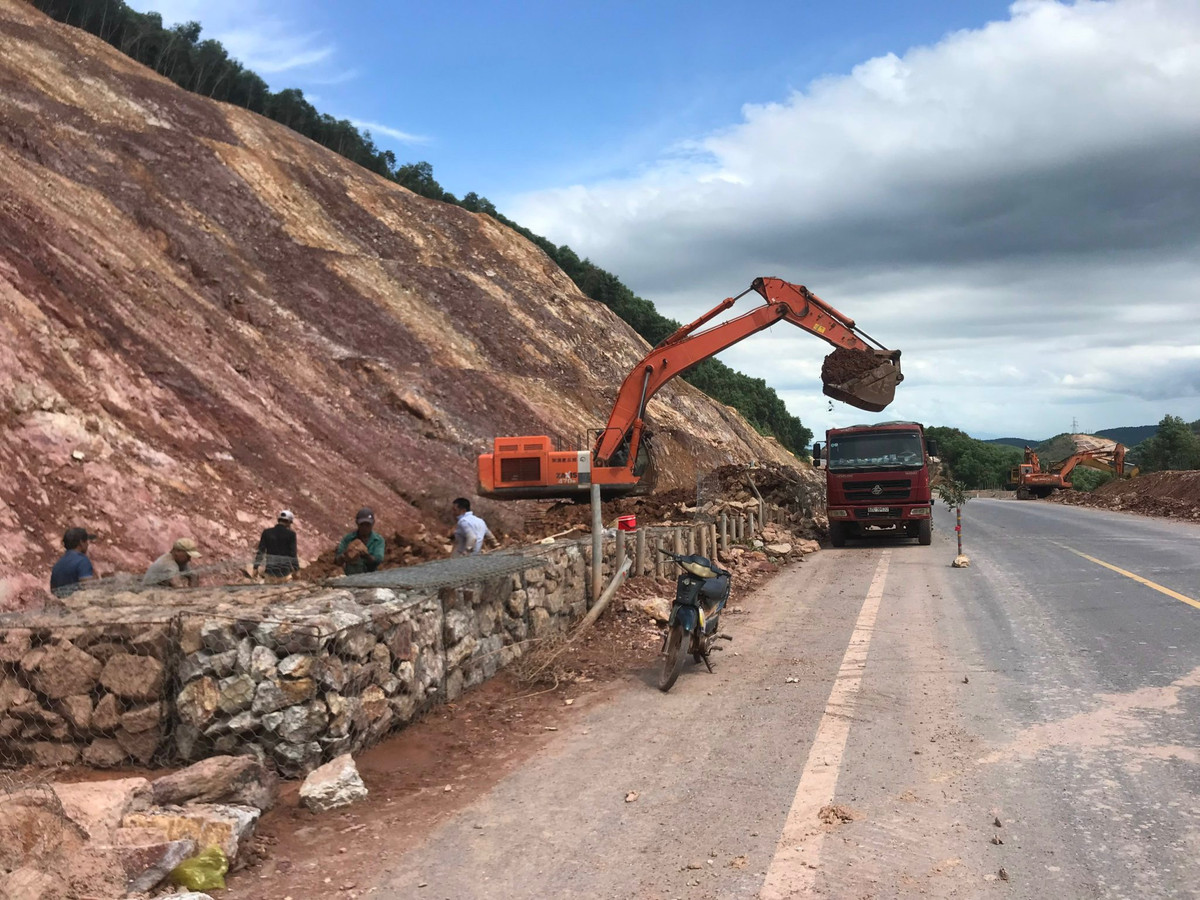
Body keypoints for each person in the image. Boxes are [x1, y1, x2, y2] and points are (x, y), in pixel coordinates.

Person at [334, 507, 385, 576]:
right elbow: (337, 560)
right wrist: (346, 555)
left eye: (367, 525)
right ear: (357, 523)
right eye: (362, 525)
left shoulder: (378, 540)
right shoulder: (348, 538)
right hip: (351, 576)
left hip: (371, 576)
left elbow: (378, 560)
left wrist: (366, 556)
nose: (365, 528)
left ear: (373, 523)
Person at [49, 527, 97, 596]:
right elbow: (88, 590)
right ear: (81, 543)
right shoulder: (82, 561)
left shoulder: (57, 565)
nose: (87, 544)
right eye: (86, 541)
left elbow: (53, 592)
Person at [255, 510, 299, 579]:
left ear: (278, 520)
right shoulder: (291, 535)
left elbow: (261, 551)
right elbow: (293, 554)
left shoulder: (267, 532)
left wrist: (255, 567)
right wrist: (296, 569)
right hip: (285, 573)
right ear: (288, 522)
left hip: (270, 572)